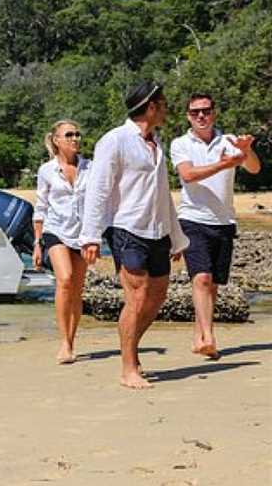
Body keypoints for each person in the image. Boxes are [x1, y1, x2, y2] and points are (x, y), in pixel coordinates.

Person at [80, 81, 189, 389]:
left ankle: (131, 348)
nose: (167, 109)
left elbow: (163, 194)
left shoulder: (156, 143)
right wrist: (90, 236)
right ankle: (128, 367)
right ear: (150, 107)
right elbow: (98, 190)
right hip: (126, 228)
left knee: (157, 297)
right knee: (137, 296)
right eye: (163, 104)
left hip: (158, 230)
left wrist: (176, 237)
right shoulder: (114, 141)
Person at [170, 93, 261, 359]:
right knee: (201, 278)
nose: (201, 116)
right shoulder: (181, 143)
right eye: (195, 112)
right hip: (192, 218)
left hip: (224, 221)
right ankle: (209, 337)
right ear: (188, 116)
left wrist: (245, 151)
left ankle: (199, 337)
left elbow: (254, 169)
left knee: (213, 285)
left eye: (206, 110)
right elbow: (188, 175)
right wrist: (224, 164)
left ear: (214, 113)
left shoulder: (229, 140)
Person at [33, 120, 92, 364]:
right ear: (57, 140)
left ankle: (72, 338)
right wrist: (37, 242)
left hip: (82, 235)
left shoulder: (91, 167)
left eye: (77, 134)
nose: (75, 138)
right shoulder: (46, 170)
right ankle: (64, 343)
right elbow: (41, 207)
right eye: (69, 135)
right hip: (55, 231)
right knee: (65, 279)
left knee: (76, 291)